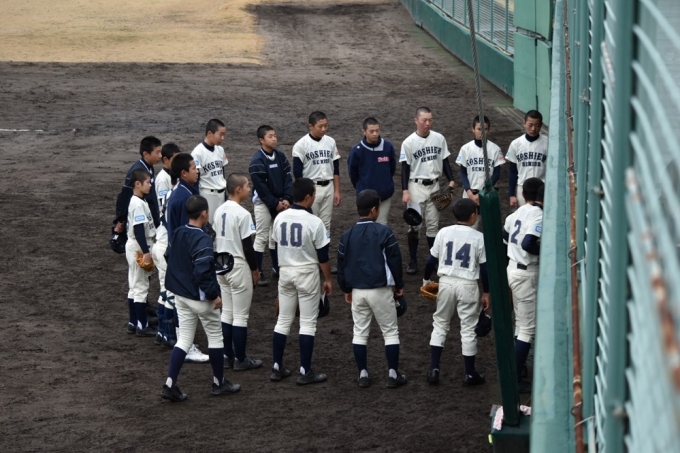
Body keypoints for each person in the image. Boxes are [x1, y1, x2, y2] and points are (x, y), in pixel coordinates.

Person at [161, 195, 241, 402]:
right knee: (215, 338)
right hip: (200, 298)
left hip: (181, 295)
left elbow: (169, 256)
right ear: (204, 213)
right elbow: (202, 272)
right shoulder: (203, 239)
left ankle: (170, 384)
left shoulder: (178, 232)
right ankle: (219, 383)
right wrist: (214, 296)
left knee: (184, 340)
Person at [337, 190, 406, 388]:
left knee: (360, 332)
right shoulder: (384, 232)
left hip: (357, 291)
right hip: (380, 290)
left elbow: (341, 265)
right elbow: (395, 260)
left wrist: (346, 289)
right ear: (374, 209)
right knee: (390, 332)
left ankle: (363, 374)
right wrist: (399, 285)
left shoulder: (347, 235)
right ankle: (393, 374)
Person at [271, 178, 333, 385]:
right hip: (306, 273)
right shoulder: (314, 222)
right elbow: (323, 256)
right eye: (313, 194)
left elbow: (274, 247)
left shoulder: (280, 218)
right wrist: (328, 279)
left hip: (285, 272)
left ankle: (276, 367)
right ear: (308, 197)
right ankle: (305, 371)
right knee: (307, 323)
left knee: (283, 320)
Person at [422, 198, 490, 386]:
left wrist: (426, 280)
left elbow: (430, 261)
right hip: (468, 285)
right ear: (473, 216)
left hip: (446, 282)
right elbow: (485, 269)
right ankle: (469, 374)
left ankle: (433, 370)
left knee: (440, 324)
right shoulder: (479, 237)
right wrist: (486, 292)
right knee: (468, 328)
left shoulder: (443, 232)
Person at [152, 146, 209, 362]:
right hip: (182, 256)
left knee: (176, 300)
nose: (197, 170)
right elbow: (188, 232)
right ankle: (185, 344)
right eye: (194, 168)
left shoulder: (181, 190)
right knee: (184, 303)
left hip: (174, 252)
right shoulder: (184, 197)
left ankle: (177, 339)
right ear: (184, 173)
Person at [213, 174, 263, 371]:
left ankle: (227, 356)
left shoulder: (218, 210)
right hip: (238, 265)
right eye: (247, 186)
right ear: (238, 189)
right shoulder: (243, 214)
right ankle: (240, 359)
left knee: (227, 313)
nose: (249, 189)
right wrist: (255, 270)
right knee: (241, 316)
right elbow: (248, 246)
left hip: (221, 266)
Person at [400, 106, 455, 275]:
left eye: (430, 120)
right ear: (416, 120)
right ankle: (413, 260)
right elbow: (404, 168)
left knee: (433, 225)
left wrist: (451, 179)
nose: (427, 123)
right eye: (424, 120)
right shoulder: (408, 142)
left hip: (435, 187)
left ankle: (434, 259)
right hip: (415, 187)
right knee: (414, 225)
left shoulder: (439, 138)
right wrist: (405, 191)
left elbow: (445, 161)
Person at [503, 178, 544, 393]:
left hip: (512, 269)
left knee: (520, 324)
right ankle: (514, 379)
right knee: (527, 329)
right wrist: (546, 252)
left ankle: (516, 369)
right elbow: (528, 244)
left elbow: (504, 237)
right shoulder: (538, 214)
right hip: (526, 273)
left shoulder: (516, 213)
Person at [292, 111, 341, 272]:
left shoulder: (331, 142)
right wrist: (305, 192)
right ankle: (309, 261)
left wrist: (337, 191)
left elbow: (336, 169)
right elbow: (297, 173)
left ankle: (323, 261)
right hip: (311, 189)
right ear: (310, 126)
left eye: (326, 126)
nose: (324, 129)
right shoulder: (301, 145)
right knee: (309, 225)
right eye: (320, 126)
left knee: (325, 226)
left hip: (329, 187)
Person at [249, 125, 293, 286]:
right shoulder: (257, 161)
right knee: (261, 236)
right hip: (263, 204)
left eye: (275, 135)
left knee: (276, 236)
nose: (274, 138)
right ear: (261, 140)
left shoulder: (280, 156)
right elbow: (261, 187)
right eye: (270, 136)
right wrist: (275, 203)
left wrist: (287, 198)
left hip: (281, 202)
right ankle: (258, 272)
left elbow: (288, 178)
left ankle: (276, 267)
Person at [152, 143, 181, 346]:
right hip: (164, 242)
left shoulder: (169, 181)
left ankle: (162, 333)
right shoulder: (164, 180)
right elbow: (166, 211)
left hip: (160, 240)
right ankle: (169, 335)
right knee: (171, 294)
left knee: (164, 291)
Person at [125, 169, 157, 337]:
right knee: (140, 287)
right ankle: (142, 326)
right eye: (147, 182)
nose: (150, 185)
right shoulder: (137, 203)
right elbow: (139, 230)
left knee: (134, 286)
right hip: (138, 246)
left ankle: (133, 322)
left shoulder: (137, 201)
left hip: (134, 245)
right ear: (137, 184)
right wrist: (146, 252)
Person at [347, 117, 397, 225]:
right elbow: (353, 173)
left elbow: (392, 168)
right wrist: (361, 188)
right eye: (372, 131)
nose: (375, 134)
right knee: (367, 224)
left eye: (377, 131)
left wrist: (386, 185)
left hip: (384, 196)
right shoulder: (357, 151)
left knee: (381, 224)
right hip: (365, 198)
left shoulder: (388, 147)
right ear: (364, 132)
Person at [114, 136, 163, 235]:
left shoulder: (148, 166)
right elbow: (125, 196)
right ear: (146, 154)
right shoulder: (137, 171)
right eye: (157, 152)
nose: (160, 156)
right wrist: (120, 219)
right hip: (140, 218)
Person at [455, 115, 505, 206]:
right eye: (479, 129)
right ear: (473, 129)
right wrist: (469, 192)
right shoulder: (465, 149)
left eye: (485, 129)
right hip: (469, 194)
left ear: (488, 130)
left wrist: (484, 192)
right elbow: (463, 172)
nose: (482, 132)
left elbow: (497, 174)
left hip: (488, 194)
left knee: (488, 216)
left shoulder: (495, 149)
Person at [505, 110, 548, 207]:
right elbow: (513, 171)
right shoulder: (516, 144)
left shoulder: (547, 142)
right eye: (530, 125)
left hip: (542, 187)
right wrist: (511, 195)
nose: (533, 128)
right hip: (522, 188)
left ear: (541, 125)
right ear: (524, 123)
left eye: (537, 125)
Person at [192, 119, 228, 223]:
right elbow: (195, 179)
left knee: (222, 225)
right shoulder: (197, 153)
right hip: (207, 196)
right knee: (209, 226)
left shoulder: (220, 150)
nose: (222, 138)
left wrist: (225, 194)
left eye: (224, 135)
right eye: (220, 134)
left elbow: (222, 174)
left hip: (221, 194)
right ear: (209, 133)